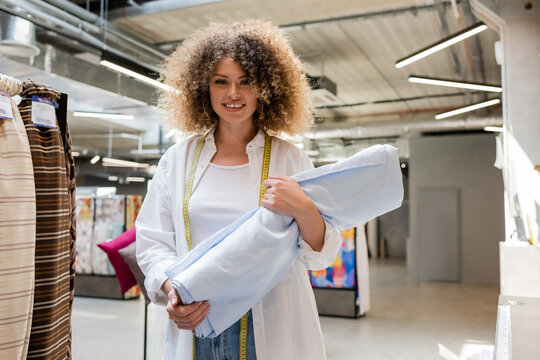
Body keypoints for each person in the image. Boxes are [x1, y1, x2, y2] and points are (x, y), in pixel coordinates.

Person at [136, 19, 342, 360]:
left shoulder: (290, 159)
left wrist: (304, 209)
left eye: (246, 82)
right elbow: (153, 240)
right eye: (221, 82)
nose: (233, 94)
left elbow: (322, 255)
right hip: (197, 320)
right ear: (205, 88)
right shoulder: (178, 159)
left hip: (271, 324)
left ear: (266, 87)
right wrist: (171, 289)